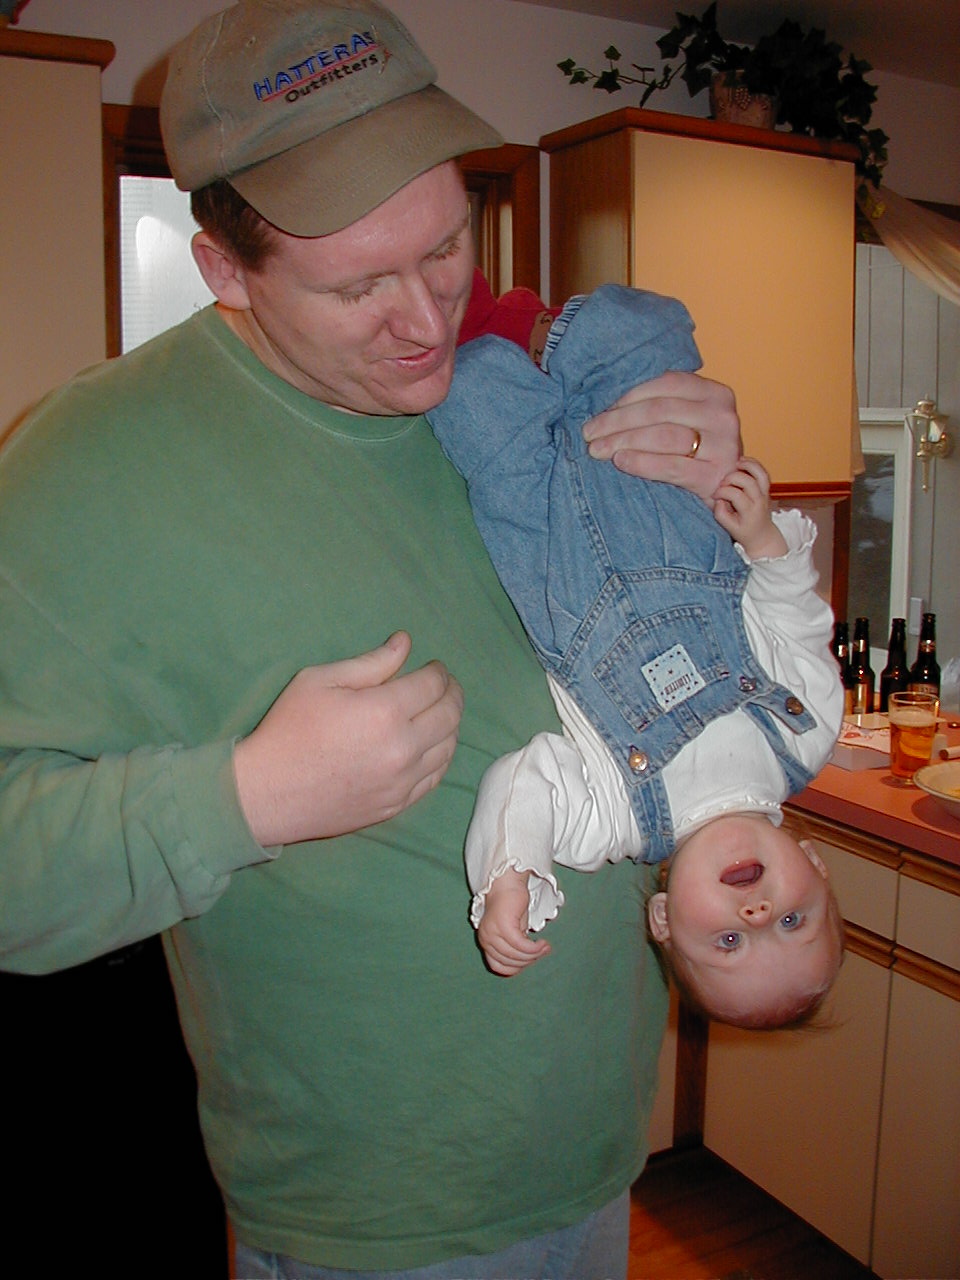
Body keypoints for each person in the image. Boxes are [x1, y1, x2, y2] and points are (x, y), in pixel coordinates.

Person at [0, 2, 742, 1276]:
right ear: (224, 268)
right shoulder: (86, 471)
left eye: (446, 245)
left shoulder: (525, 380)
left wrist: (717, 504)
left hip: (594, 1153)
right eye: (356, 287)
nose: (425, 320)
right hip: (378, 1222)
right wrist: (251, 794)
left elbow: (644, 678)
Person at [429, 286, 845, 1028]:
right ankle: (543, 330)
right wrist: (764, 541)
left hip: (539, 535)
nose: (755, 912)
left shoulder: (612, 823)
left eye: (728, 940)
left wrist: (512, 872)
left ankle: (487, 332)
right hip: (660, 502)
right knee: (637, 327)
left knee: (468, 386)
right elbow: (797, 624)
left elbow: (528, 777)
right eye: (792, 920)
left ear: (661, 920)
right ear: (814, 868)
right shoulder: (805, 736)